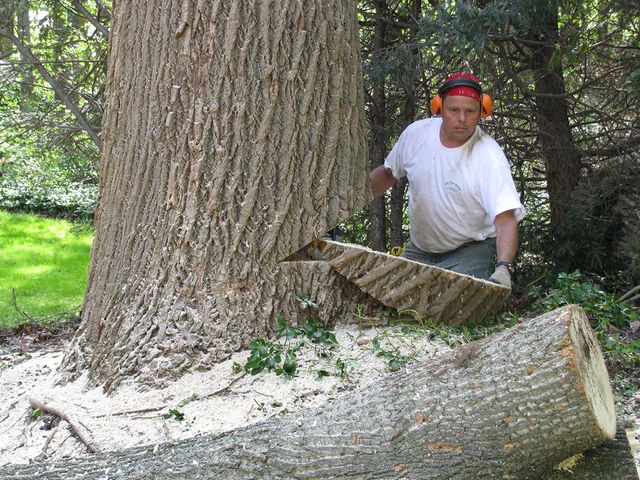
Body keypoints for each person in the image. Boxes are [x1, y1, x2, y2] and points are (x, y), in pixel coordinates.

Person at [370, 73, 525, 289]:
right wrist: (349, 201)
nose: (462, 118)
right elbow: (387, 174)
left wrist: (503, 268)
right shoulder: (417, 135)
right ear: (439, 107)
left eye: (470, 111)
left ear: (481, 112)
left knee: (458, 299)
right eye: (454, 110)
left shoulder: (489, 157)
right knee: (392, 294)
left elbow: (505, 218)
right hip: (420, 248)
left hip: (470, 249)